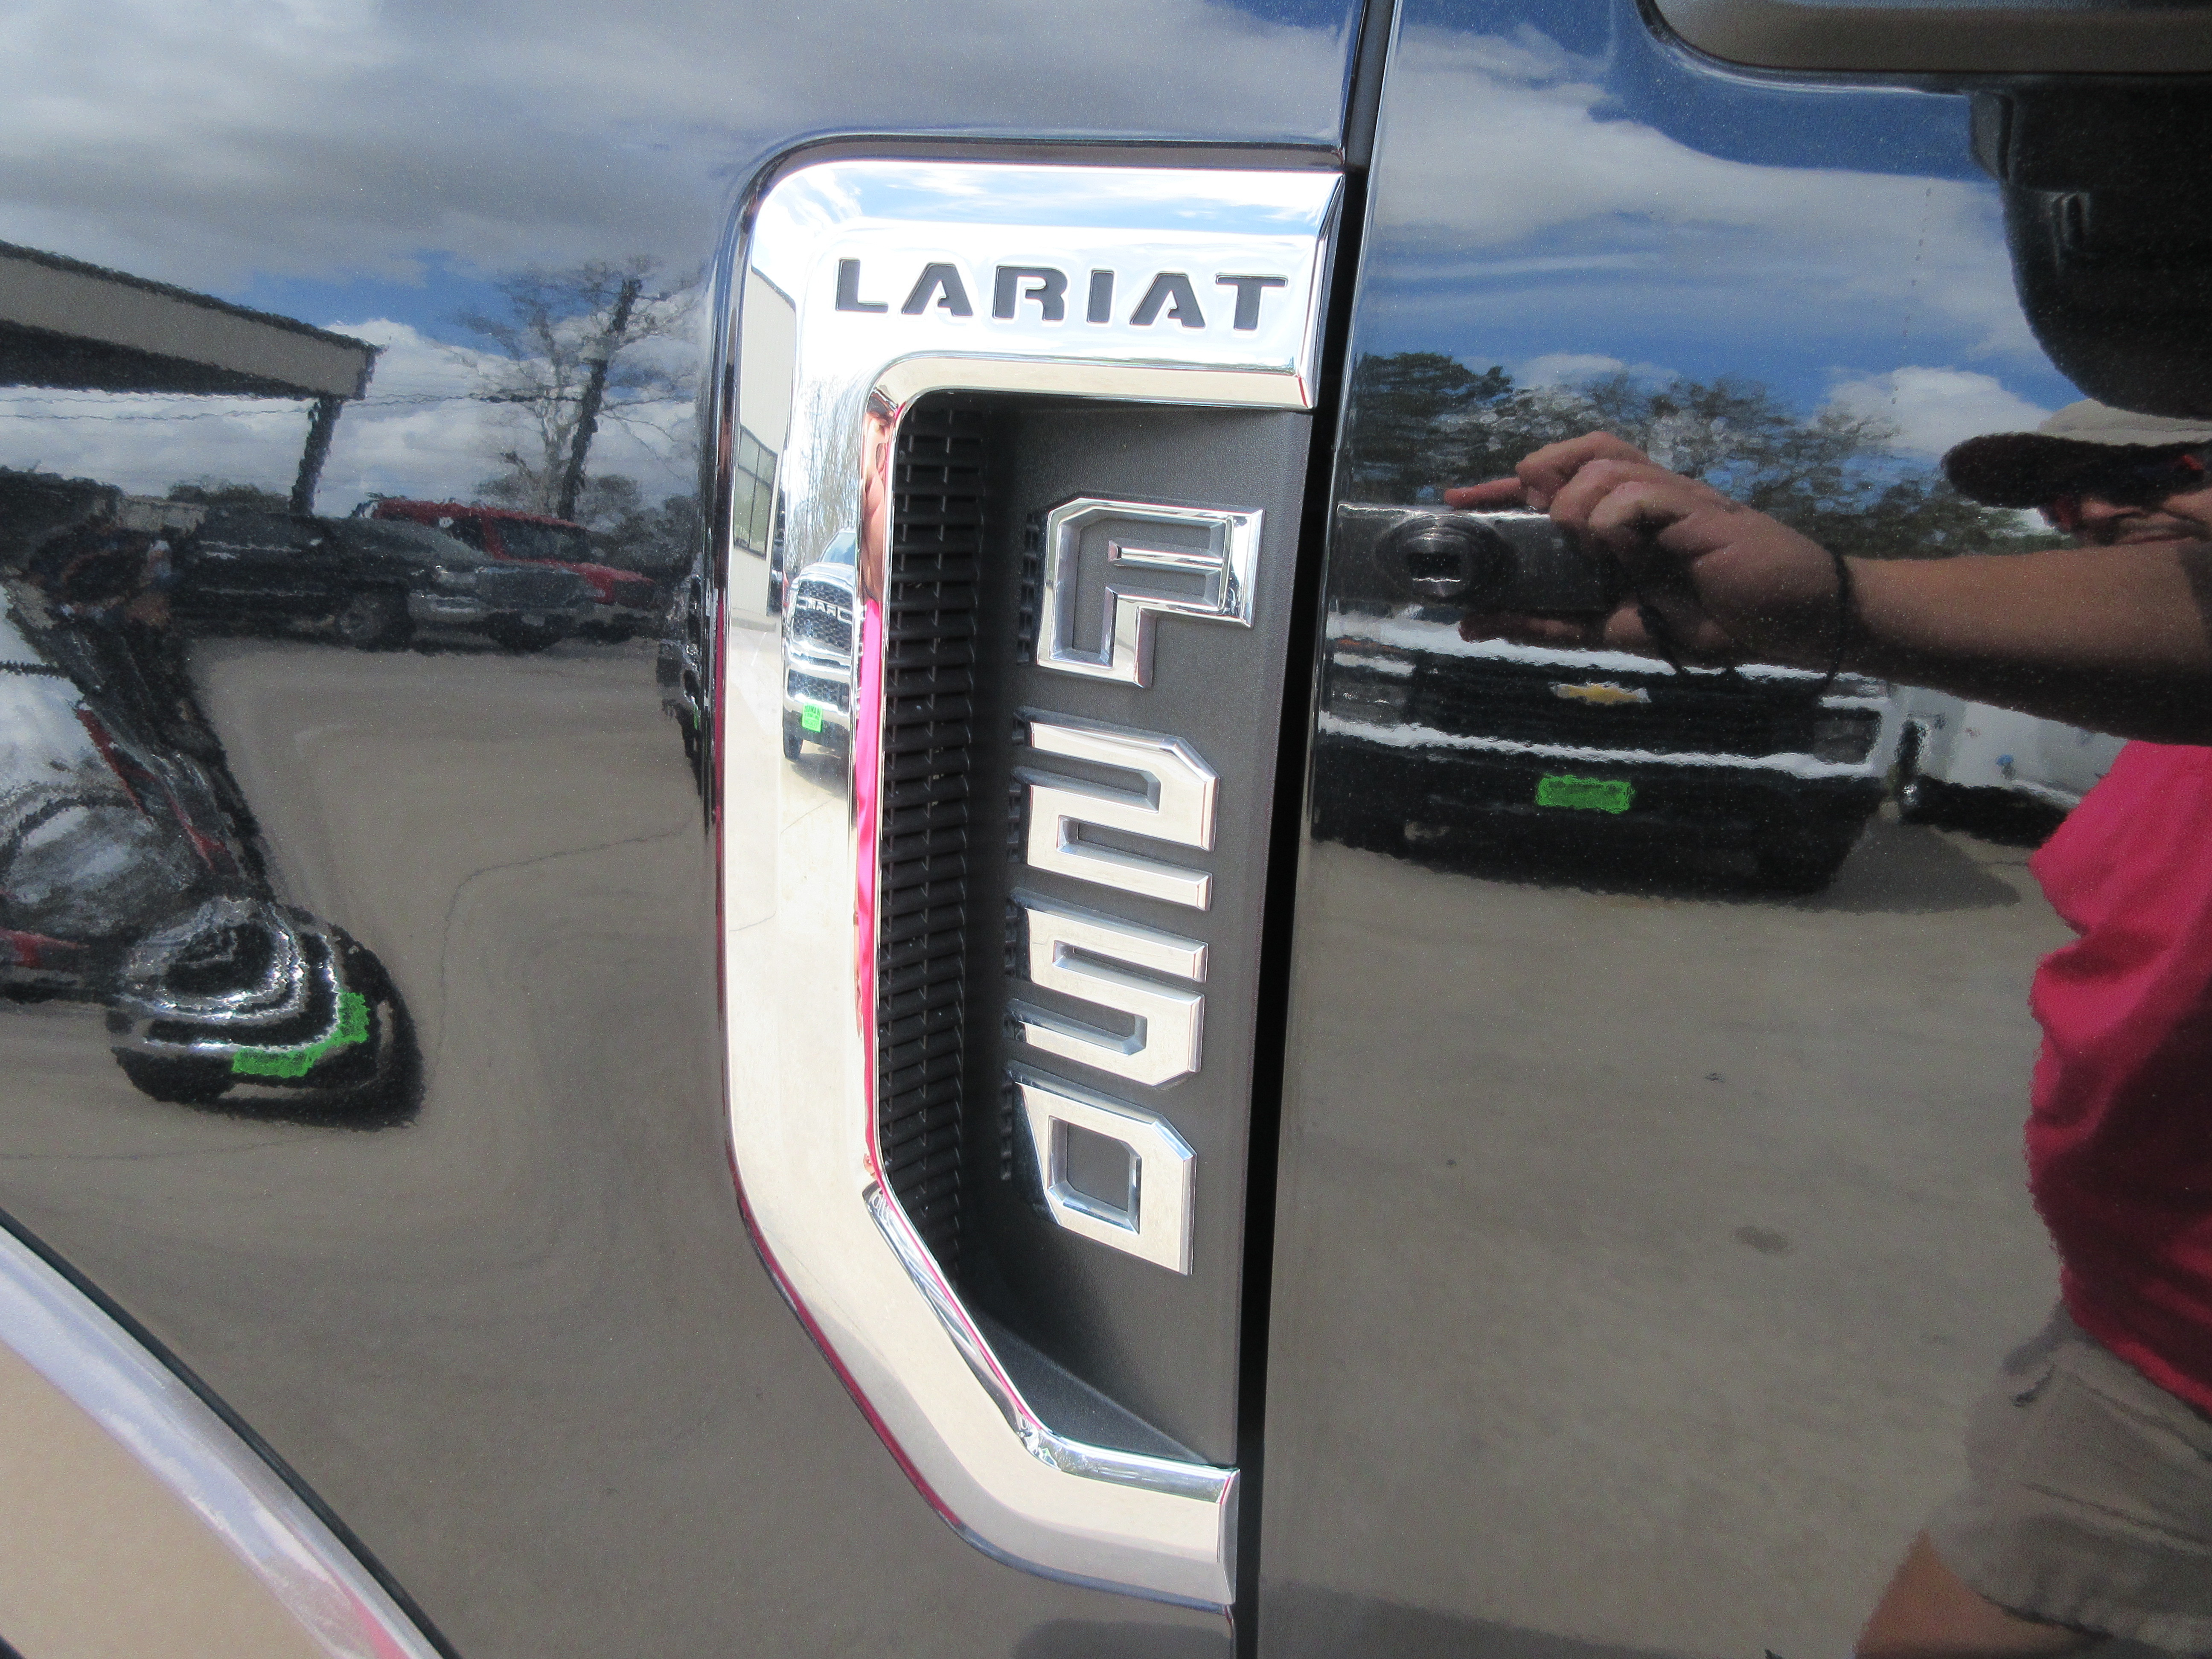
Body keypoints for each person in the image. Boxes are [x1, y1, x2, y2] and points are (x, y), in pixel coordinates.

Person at [1460, 402, 2212, 1656]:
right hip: (2142, 1331)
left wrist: (1838, 596)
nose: (2086, 510)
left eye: (2160, 468)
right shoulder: (2155, 698)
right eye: (2064, 492)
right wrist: (1803, 612)